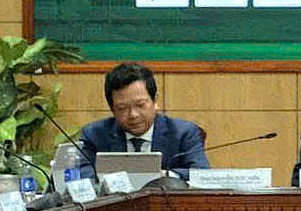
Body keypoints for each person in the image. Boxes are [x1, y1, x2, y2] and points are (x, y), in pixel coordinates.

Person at [76, 64, 210, 174]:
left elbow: (201, 173)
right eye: (122, 108)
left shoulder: (183, 133)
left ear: (155, 101)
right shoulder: (95, 135)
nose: (133, 115)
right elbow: (82, 174)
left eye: (140, 105)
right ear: (112, 109)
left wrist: (164, 175)